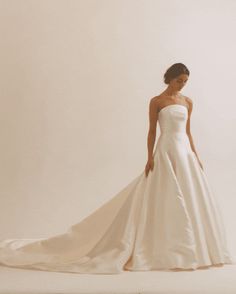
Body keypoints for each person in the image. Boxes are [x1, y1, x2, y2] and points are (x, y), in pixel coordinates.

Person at [0, 63, 234, 274]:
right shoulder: (157, 101)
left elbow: (188, 131)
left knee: (192, 195)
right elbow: (152, 130)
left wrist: (195, 154)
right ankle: (163, 248)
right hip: (166, 150)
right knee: (163, 194)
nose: (183, 85)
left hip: (185, 153)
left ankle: (197, 249)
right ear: (170, 78)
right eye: (179, 80)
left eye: (185, 81)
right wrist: (149, 156)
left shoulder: (187, 102)